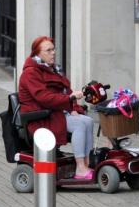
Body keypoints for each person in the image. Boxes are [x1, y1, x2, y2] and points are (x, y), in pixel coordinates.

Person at [18, 36, 96, 179]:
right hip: (41, 117)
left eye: (53, 49)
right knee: (79, 125)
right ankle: (80, 168)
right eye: (48, 50)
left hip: (56, 113)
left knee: (88, 121)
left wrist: (73, 108)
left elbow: (65, 91)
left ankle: (87, 163)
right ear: (37, 53)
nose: (53, 53)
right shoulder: (30, 73)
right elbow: (44, 98)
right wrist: (70, 99)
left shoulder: (53, 69)